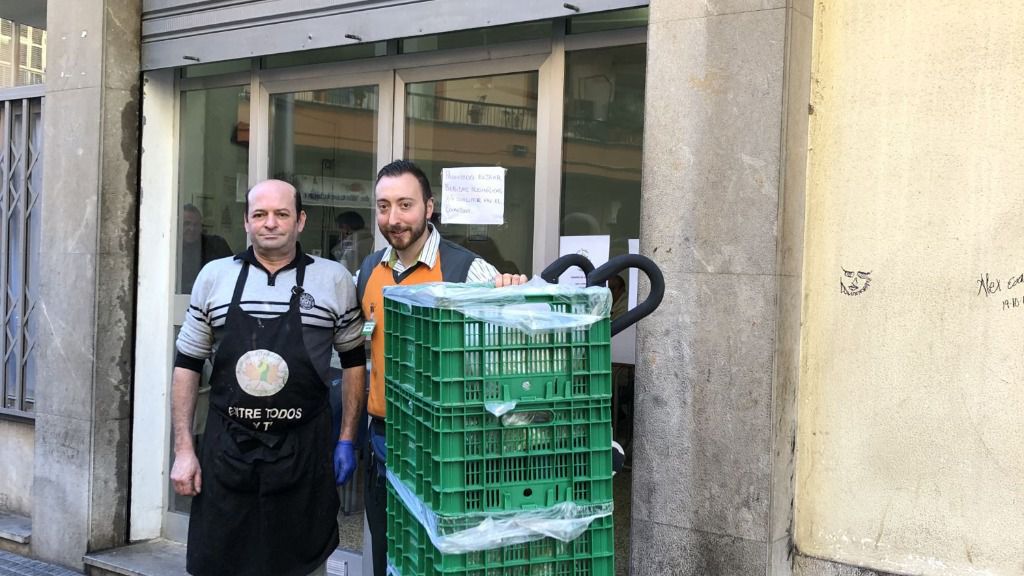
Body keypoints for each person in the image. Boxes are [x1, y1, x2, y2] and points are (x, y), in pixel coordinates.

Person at [170, 180, 366, 576]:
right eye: (260, 214)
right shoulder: (214, 277)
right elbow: (187, 364)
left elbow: (353, 364)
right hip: (228, 452)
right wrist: (184, 450)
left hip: (303, 454)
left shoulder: (333, 280)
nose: (270, 223)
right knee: (222, 562)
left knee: (301, 563)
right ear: (246, 221)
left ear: (301, 221)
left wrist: (347, 438)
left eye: (281, 214)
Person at [355, 160, 525, 576]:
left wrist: (514, 300)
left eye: (405, 205)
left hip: (447, 449)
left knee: (441, 559)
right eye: (383, 206)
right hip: (383, 443)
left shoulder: (469, 271)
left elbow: (514, 362)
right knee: (388, 555)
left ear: (429, 208)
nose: (393, 219)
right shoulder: (367, 271)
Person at [180, 203, 233, 293]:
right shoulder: (172, 248)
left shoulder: (216, 245)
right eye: (187, 224)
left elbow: (232, 274)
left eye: (196, 224)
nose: (192, 228)